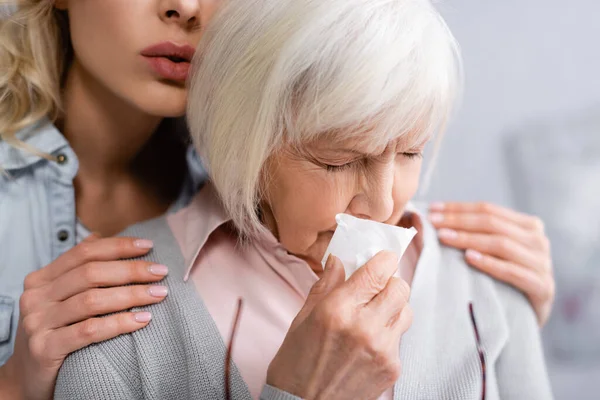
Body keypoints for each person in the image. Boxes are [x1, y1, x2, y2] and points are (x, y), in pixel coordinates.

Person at [0, 0, 554, 398]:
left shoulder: (244, 160)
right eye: (336, 161)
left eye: (411, 153)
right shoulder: (135, 321)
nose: (187, 8)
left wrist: (495, 313)